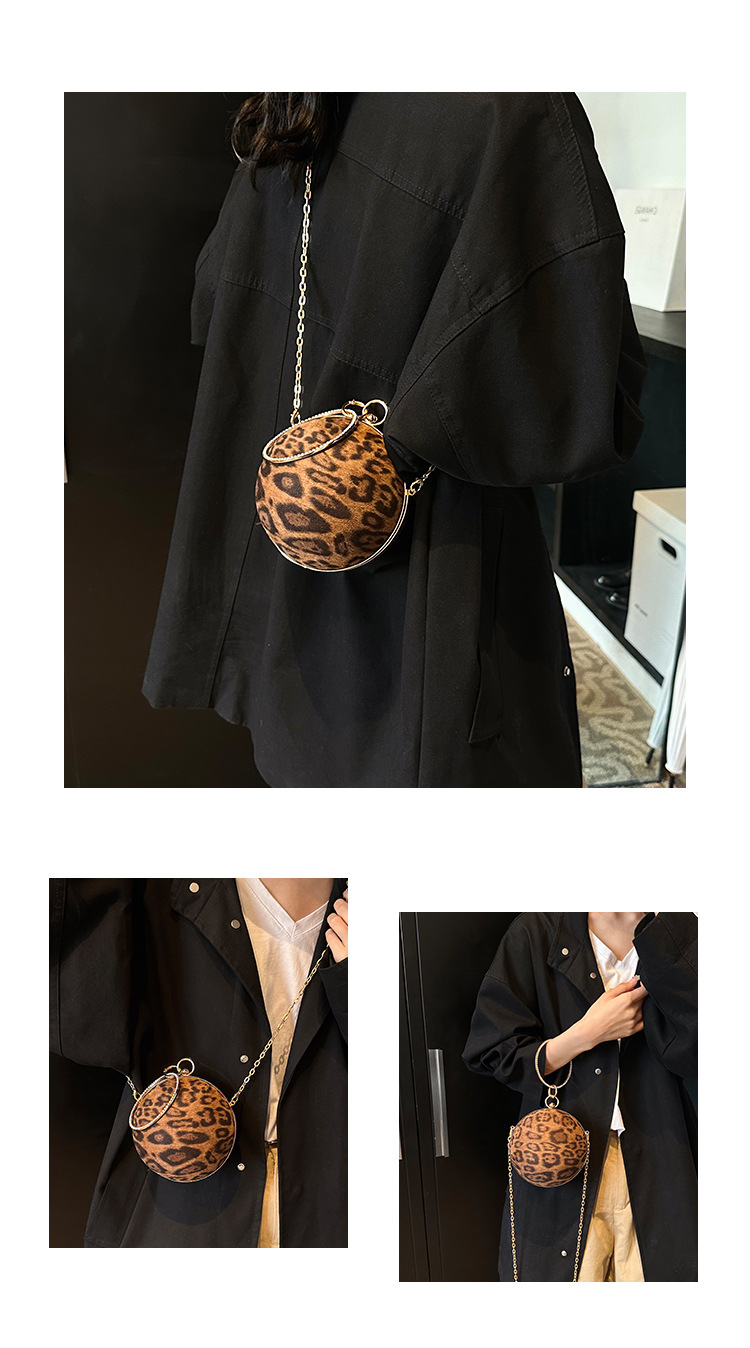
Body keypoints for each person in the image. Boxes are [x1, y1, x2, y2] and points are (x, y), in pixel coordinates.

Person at [142, 93, 647, 788]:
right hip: (420, 584)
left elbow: (219, 301)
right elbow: (587, 390)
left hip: (281, 559)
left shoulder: (293, 103)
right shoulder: (508, 104)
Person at [49, 878, 348, 1247]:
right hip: (178, 1216)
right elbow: (80, 1024)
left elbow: (407, 1096)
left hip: (327, 1210)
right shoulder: (161, 889)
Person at [463, 911, 697, 1281]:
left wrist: (665, 937)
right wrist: (585, 1034)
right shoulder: (539, 930)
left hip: (665, 1156)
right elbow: (492, 1049)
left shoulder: (683, 929)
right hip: (563, 1157)